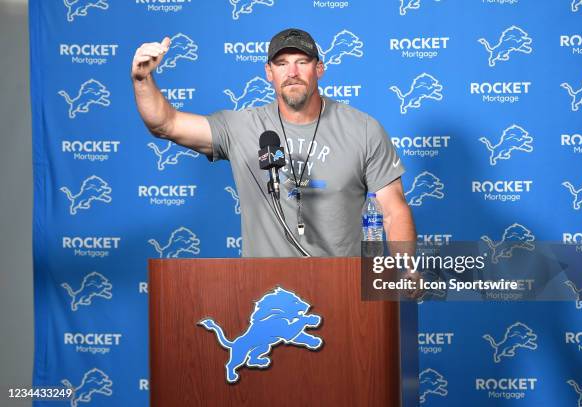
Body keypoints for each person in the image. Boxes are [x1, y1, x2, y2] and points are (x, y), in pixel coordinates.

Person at [131, 28, 416, 258]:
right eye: (282, 64)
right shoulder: (241, 127)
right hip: (265, 291)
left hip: (345, 289)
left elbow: (392, 209)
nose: (292, 72)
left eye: (302, 62)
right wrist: (143, 78)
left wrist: (406, 269)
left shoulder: (363, 129)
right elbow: (165, 124)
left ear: (319, 69)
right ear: (269, 72)